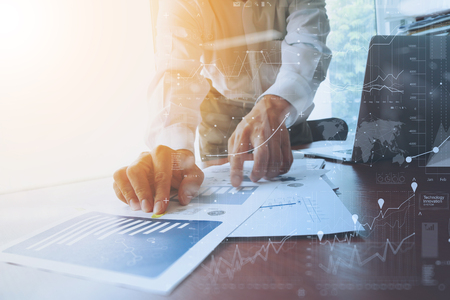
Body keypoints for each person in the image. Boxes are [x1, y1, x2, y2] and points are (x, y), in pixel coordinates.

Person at [113, 0, 331, 214]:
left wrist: (275, 104)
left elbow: (308, 45)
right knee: (226, 204)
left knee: (298, 205)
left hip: (284, 113)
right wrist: (172, 146)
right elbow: (176, 72)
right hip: (220, 114)